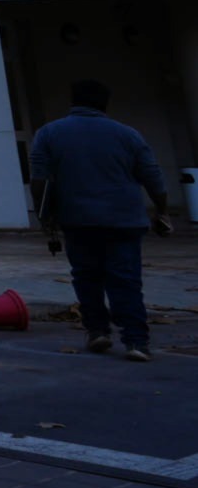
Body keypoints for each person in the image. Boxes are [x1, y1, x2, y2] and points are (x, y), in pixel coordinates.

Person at [31, 79, 172, 361]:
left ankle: (97, 331)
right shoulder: (128, 135)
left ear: (73, 101)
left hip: (78, 219)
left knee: (86, 277)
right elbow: (153, 177)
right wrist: (162, 210)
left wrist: (45, 218)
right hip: (124, 220)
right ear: (105, 104)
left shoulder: (49, 133)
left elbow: (40, 181)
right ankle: (136, 341)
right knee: (126, 280)